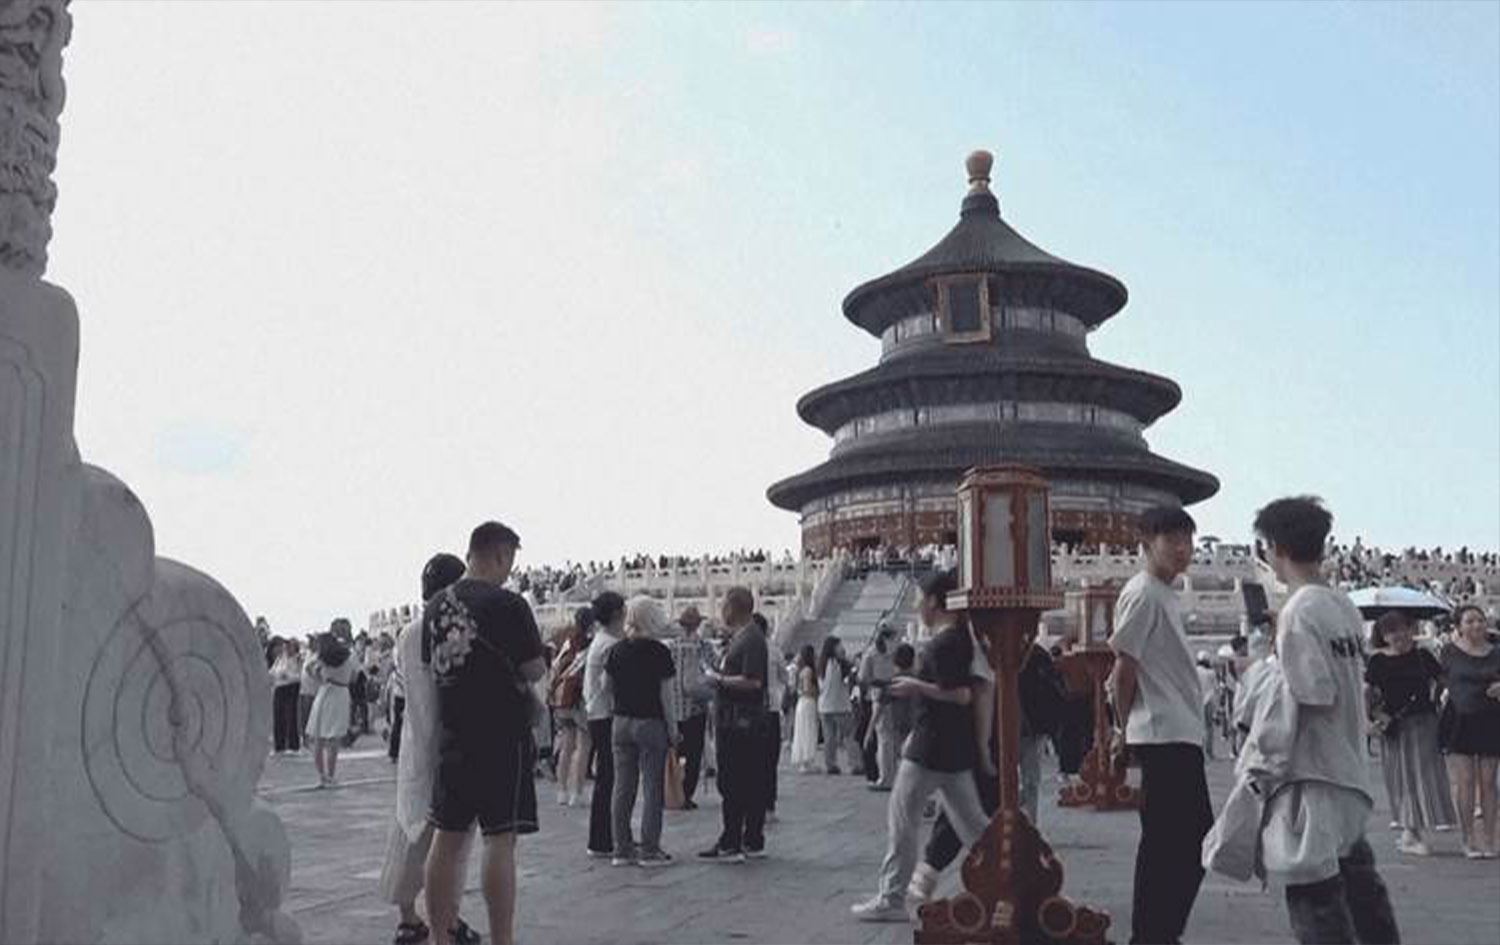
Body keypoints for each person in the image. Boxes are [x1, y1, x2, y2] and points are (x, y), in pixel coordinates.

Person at [1254, 496, 1398, 944]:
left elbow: (1312, 693)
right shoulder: (1343, 606)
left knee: (1315, 895)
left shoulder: (1298, 611)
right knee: (1361, 888)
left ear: (1276, 548)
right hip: (1348, 764)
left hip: (1312, 771)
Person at [423, 521, 546, 945]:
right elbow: (534, 669)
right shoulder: (508, 604)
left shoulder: (435, 605)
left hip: (453, 734)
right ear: (501, 555)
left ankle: (440, 937)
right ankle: (502, 939)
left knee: (447, 837)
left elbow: (431, 667)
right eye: (509, 561)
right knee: (499, 839)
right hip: (501, 735)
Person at [851, 570, 991, 922]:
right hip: (953, 749)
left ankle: (891, 897)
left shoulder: (944, 644)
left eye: (918, 599)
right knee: (974, 827)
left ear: (932, 601)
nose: (915, 606)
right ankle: (1011, 880)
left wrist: (916, 686)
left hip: (930, 748)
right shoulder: (960, 639)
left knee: (902, 820)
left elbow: (961, 695)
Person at [1107, 505, 1213, 945]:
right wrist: (1120, 730)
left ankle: (1158, 932)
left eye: (1188, 540)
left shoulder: (1164, 593)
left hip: (1178, 730)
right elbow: (1124, 668)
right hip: (1161, 731)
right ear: (1146, 543)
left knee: (1180, 840)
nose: (1183, 549)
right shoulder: (1144, 593)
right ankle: (1153, 934)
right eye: (1172, 539)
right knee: (1175, 841)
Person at [377, 553, 480, 945]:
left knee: (408, 831)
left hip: (415, 744)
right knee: (451, 840)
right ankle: (447, 919)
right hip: (450, 743)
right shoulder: (452, 629)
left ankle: (409, 918)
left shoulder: (407, 634)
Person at [1365, 611, 1453, 856]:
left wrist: (1437, 698)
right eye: (1391, 631)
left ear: (1411, 629)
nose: (1398, 635)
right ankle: (1410, 831)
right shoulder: (1378, 661)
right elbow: (1366, 691)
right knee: (1401, 777)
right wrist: (1367, 720)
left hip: (1424, 723)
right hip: (1394, 726)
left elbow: (1443, 680)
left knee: (1425, 776)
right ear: (1383, 636)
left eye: (1402, 628)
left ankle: (1412, 831)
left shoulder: (1423, 656)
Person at [603, 595, 678, 867]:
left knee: (622, 787)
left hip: (621, 722)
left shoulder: (616, 650)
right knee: (652, 787)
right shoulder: (660, 652)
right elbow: (667, 697)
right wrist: (673, 728)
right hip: (650, 723)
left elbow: (606, 686)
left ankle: (621, 848)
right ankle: (649, 848)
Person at [698, 586, 772, 863]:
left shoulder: (751, 639)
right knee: (747, 780)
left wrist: (719, 680)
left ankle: (733, 840)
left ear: (733, 607)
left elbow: (753, 682)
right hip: (736, 719)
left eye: (724, 605)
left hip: (740, 721)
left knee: (735, 780)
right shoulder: (743, 637)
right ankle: (748, 837)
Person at [1439, 603, 1500, 859]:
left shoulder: (1497, 651)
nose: (1476, 625)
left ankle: (1490, 838)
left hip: (1491, 719)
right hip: (1459, 719)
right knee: (1464, 782)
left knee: (1488, 782)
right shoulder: (1449, 652)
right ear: (1459, 627)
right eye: (1470, 621)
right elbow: (1442, 680)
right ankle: (1467, 839)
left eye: (1480, 620)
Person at [583, 591, 625, 857]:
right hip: (605, 714)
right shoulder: (610, 645)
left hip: (596, 712)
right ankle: (602, 839)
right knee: (609, 779)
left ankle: (604, 837)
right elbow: (610, 685)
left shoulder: (601, 640)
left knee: (607, 778)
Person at [664, 606, 713, 809]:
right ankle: (685, 793)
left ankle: (672, 790)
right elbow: (710, 674)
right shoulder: (703, 647)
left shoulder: (671, 647)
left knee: (676, 754)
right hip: (695, 709)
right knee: (692, 755)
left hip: (674, 709)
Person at [547, 607, 593, 807]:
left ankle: (562, 791)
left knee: (566, 745)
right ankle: (577, 792)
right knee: (583, 747)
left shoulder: (567, 642)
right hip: (581, 700)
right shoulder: (590, 644)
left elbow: (555, 668)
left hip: (562, 699)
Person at [305, 633, 355, 787]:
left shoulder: (322, 659)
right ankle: (331, 775)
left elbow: (309, 670)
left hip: (325, 692)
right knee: (334, 738)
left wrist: (320, 675)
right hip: (341, 693)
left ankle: (322, 776)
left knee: (318, 737)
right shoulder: (348, 656)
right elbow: (353, 676)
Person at [754, 613, 787, 821]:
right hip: (768, 709)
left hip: (758, 709)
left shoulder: (746, 648)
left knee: (759, 760)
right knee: (768, 761)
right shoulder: (774, 651)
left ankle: (760, 805)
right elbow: (785, 676)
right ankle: (767, 805)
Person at [859, 628, 897, 785]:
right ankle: (886, 776)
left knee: (888, 739)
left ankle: (889, 775)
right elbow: (863, 678)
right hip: (881, 694)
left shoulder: (891, 653)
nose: (895, 642)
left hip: (892, 694)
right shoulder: (871, 654)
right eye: (893, 638)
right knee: (885, 738)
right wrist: (882, 682)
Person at [817, 636, 855, 775]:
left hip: (824, 706)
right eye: (839, 645)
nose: (842, 648)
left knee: (829, 738)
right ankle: (855, 763)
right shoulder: (838, 664)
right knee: (849, 735)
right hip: (840, 705)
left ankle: (830, 764)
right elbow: (847, 680)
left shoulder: (822, 664)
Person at [789, 645, 821, 773]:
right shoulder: (808, 670)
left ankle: (804, 760)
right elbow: (807, 689)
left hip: (802, 702)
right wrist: (817, 691)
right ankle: (807, 760)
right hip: (808, 702)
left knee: (802, 731)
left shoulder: (801, 670)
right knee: (808, 730)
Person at [269, 638, 302, 755]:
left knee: (290, 716)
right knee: (278, 716)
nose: (287, 648)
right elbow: (273, 671)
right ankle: (279, 746)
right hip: (279, 687)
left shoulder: (297, 659)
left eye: (290, 646)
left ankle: (293, 746)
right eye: (286, 646)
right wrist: (272, 675)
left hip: (291, 687)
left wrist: (288, 676)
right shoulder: (280, 659)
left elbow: (299, 676)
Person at [1196, 652, 1219, 760]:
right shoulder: (1211, 673)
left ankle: (1200, 749)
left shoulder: (1195, 671)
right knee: (1209, 727)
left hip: (1198, 701)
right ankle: (1209, 752)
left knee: (1199, 726)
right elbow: (1216, 688)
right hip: (1209, 700)